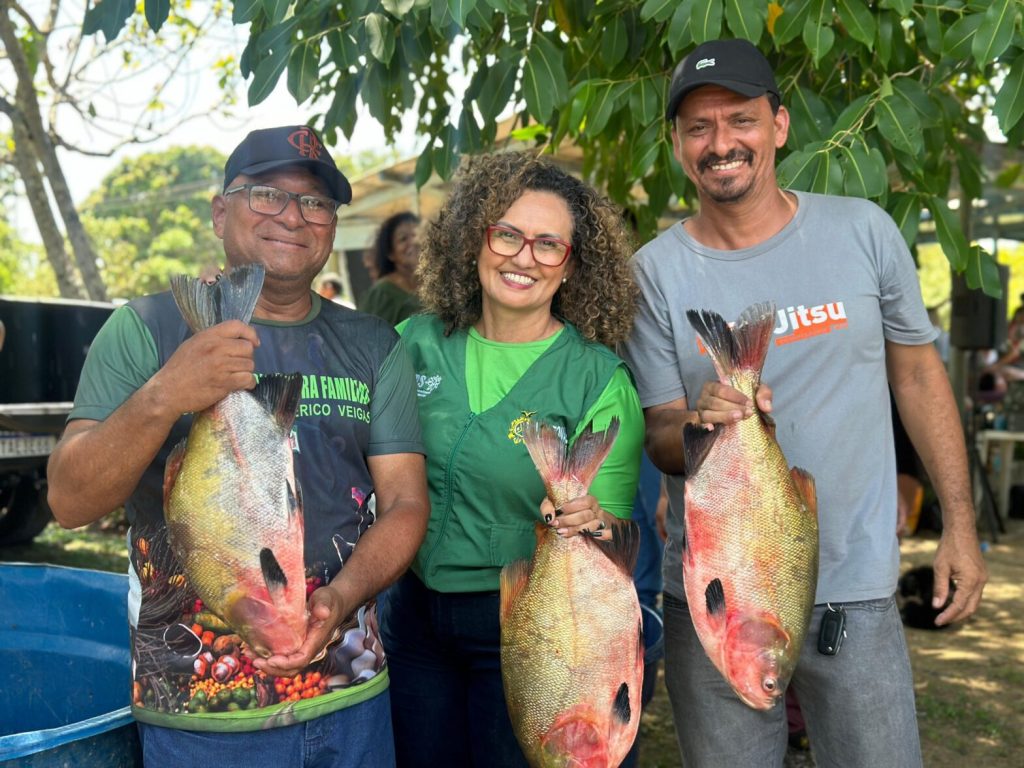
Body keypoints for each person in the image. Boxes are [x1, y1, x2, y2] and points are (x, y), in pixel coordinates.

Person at [620, 39, 988, 768]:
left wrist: (961, 527)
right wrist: (698, 420)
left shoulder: (863, 231)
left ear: (780, 126)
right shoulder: (653, 274)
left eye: (740, 120)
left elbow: (917, 378)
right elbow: (659, 431)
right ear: (676, 145)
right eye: (698, 127)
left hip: (856, 584)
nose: (721, 142)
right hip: (718, 595)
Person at [46, 125, 430, 768]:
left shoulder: (374, 345)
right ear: (221, 210)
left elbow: (405, 504)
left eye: (315, 203)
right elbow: (68, 500)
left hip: (350, 702)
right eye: (267, 195)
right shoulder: (141, 330)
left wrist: (341, 596)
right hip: (197, 717)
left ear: (331, 228)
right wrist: (165, 394)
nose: (293, 216)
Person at [378, 151, 644, 767]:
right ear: (475, 241)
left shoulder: (597, 379)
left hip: (534, 627)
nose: (524, 257)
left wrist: (591, 519)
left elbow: (616, 539)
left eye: (549, 244)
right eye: (508, 235)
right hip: (413, 621)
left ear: (572, 267)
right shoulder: (413, 344)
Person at [359, 211, 421, 324]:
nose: (414, 241)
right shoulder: (382, 294)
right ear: (390, 253)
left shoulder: (434, 287)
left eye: (416, 235)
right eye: (403, 239)